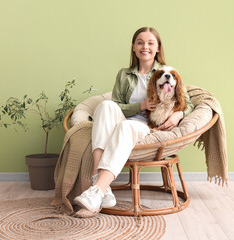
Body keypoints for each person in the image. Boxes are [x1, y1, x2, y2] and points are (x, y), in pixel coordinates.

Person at [74, 27, 194, 213]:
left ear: (157, 48)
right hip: (124, 117)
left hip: (144, 126)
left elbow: (189, 103)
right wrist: (141, 106)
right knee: (105, 106)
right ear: (133, 47)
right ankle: (100, 186)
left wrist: (179, 114)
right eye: (140, 42)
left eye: (150, 43)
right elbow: (116, 106)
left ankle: (97, 188)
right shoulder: (124, 74)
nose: (145, 46)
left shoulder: (167, 73)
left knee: (125, 127)